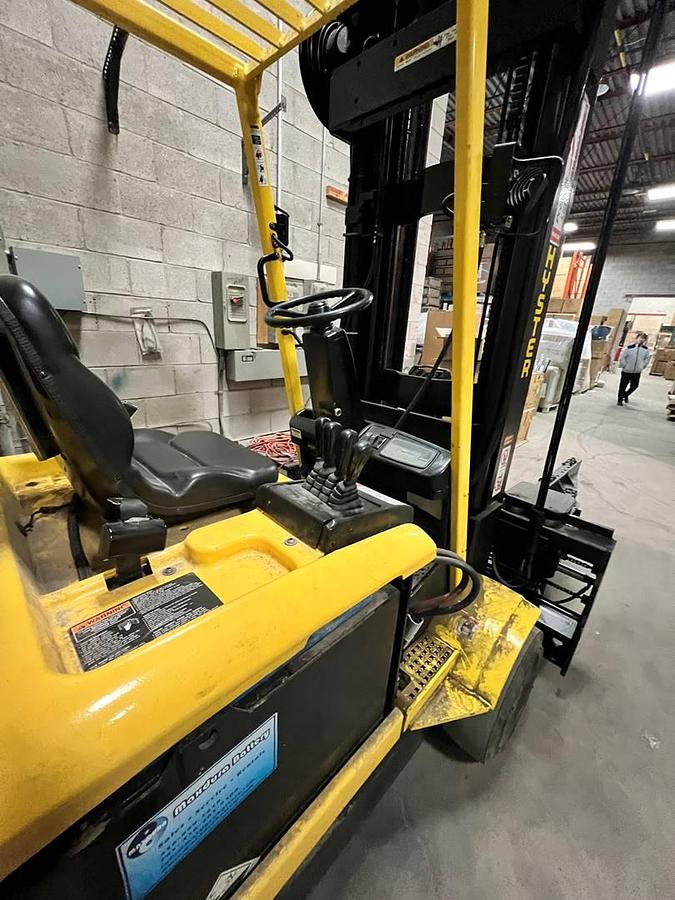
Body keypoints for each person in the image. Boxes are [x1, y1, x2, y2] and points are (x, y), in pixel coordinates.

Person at [617, 332, 650, 406]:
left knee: (634, 386)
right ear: (637, 338)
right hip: (627, 370)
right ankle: (620, 399)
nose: (641, 340)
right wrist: (624, 365)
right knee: (623, 385)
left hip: (637, 372)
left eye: (643, 338)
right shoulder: (629, 348)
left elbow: (647, 359)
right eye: (640, 338)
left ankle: (625, 395)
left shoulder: (645, 350)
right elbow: (622, 357)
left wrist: (642, 366)